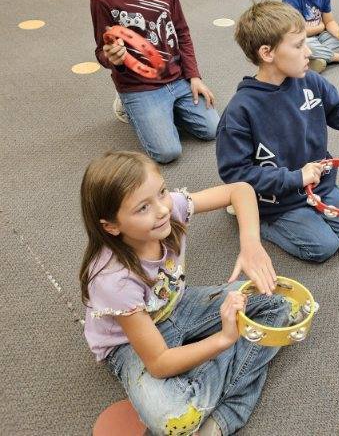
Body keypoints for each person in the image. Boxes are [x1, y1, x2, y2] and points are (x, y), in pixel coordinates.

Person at [80, 150, 288, 436]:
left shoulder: (168, 209)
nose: (162, 210)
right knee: (173, 417)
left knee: (279, 302)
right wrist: (224, 340)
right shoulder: (113, 280)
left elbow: (240, 190)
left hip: (178, 304)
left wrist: (251, 243)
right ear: (111, 226)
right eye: (143, 208)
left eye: (162, 192)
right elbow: (158, 363)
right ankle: (227, 414)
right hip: (128, 344)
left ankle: (205, 395)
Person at [216, 0, 339, 263]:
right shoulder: (240, 111)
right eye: (299, 45)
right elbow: (235, 173)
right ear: (267, 53)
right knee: (324, 247)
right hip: (277, 200)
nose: (308, 52)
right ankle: (256, 219)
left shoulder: (309, 80)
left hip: (319, 183)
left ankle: (305, 213)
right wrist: (296, 178)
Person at [89, 0, 219, 164]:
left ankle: (165, 112)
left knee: (212, 129)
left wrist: (194, 76)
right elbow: (102, 52)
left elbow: (181, 30)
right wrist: (111, 57)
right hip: (139, 87)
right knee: (167, 152)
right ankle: (127, 106)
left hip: (177, 78)